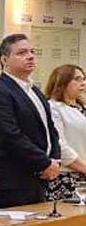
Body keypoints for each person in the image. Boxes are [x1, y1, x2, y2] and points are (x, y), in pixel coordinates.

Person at [0, 34, 61, 209]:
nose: (30, 56)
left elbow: (50, 130)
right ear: (4, 60)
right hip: (14, 181)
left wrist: (55, 160)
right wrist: (44, 163)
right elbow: (8, 135)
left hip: (40, 178)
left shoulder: (35, 91)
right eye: (22, 53)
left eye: (32, 52)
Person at [44, 64, 86, 197]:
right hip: (68, 176)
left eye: (84, 79)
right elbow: (60, 145)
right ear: (63, 82)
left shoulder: (80, 108)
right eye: (77, 79)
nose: (83, 83)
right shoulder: (54, 108)